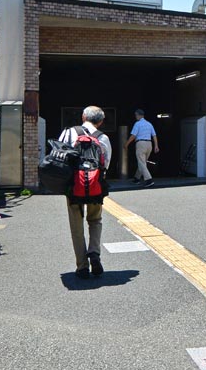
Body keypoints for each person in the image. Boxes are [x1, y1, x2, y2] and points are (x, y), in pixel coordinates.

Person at [61, 106, 112, 279]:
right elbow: (106, 164)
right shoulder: (103, 138)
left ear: (83, 117)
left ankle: (82, 266)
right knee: (95, 220)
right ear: (101, 121)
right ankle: (94, 252)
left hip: (74, 187)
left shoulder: (69, 133)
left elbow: (59, 158)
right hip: (96, 186)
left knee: (76, 226)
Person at [124, 108, 159, 188]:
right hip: (149, 144)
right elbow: (154, 135)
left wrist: (126, 144)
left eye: (136, 115)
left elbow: (133, 135)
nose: (135, 116)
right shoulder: (149, 124)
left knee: (141, 163)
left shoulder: (137, 124)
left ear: (138, 115)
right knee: (143, 162)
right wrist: (156, 146)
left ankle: (149, 180)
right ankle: (136, 178)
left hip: (141, 143)